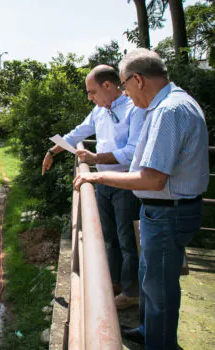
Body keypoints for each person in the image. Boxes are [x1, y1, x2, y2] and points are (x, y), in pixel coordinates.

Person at [73, 49, 209, 349]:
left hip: (166, 213)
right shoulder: (173, 102)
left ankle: (158, 343)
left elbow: (152, 178)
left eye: (125, 85)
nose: (126, 93)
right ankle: (148, 331)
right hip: (163, 211)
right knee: (150, 280)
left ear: (137, 79)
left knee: (159, 290)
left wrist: (96, 175)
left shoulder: (168, 112)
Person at [43, 65, 144, 310]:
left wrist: (96, 158)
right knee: (109, 237)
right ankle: (116, 282)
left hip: (125, 184)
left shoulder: (134, 109)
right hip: (103, 183)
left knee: (127, 239)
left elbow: (132, 153)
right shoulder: (99, 111)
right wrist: (51, 151)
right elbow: (78, 132)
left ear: (107, 86)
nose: (89, 97)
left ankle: (132, 292)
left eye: (91, 92)